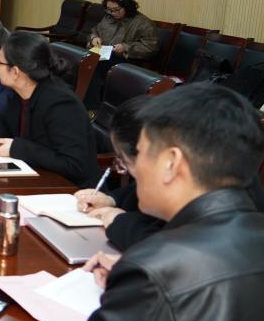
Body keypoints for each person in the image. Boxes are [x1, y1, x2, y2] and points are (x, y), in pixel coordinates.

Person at [35, 83, 264, 321]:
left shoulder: (160, 269)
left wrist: (145, 283)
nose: (133, 169)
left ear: (171, 162)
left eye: (140, 153)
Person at [76, 94, 264, 251]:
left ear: (170, 161)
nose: (128, 171)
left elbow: (167, 246)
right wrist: (112, 200)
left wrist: (119, 221)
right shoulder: (219, 170)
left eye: (124, 161)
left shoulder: (211, 203)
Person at [0, 31, 100, 188]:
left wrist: (18, 148)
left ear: (15, 72)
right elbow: (1, 122)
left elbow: (73, 164)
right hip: (34, 177)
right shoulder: (18, 92)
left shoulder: (61, 104)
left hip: (70, 189)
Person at [87, 0, 159, 61]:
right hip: (102, 56)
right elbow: (95, 31)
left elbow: (151, 48)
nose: (113, 13)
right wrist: (94, 38)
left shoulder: (144, 23)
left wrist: (125, 48)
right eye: (109, 9)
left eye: (117, 9)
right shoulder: (109, 15)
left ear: (126, 6)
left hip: (125, 61)